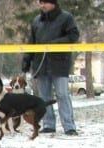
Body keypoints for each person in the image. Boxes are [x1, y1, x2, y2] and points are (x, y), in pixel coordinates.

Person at [22, 0, 79, 136]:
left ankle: (69, 126)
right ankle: (48, 124)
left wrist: (55, 44)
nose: (42, 5)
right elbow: (32, 42)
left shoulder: (66, 18)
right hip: (41, 64)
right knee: (44, 97)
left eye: (45, 2)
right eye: (41, 3)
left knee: (62, 94)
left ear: (53, 3)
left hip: (59, 63)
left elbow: (73, 35)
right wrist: (27, 59)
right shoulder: (37, 21)